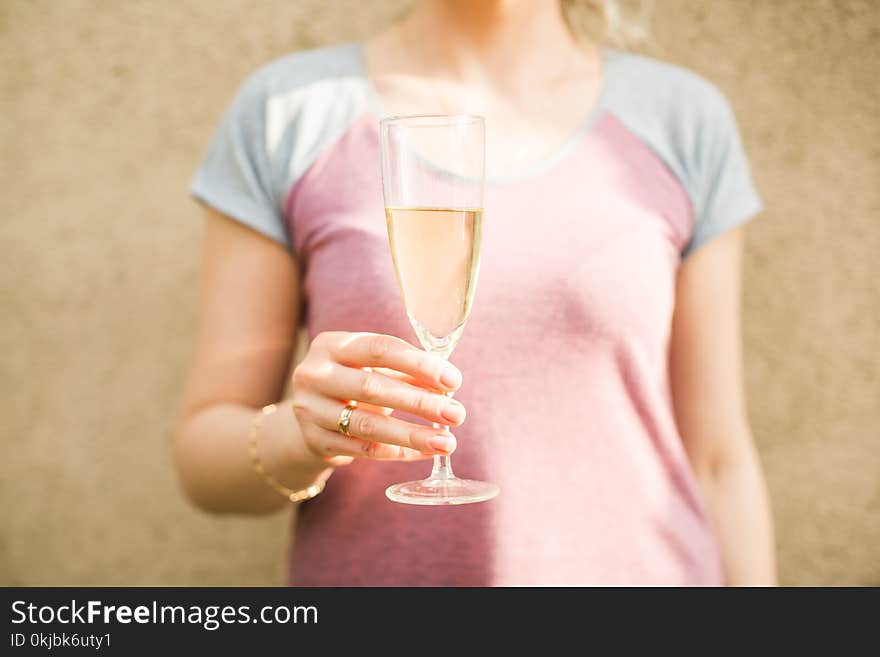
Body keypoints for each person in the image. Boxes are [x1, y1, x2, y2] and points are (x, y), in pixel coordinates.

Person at [175, 0, 776, 585]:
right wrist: (299, 436)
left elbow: (718, 461)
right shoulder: (289, 112)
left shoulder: (682, 117)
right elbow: (204, 458)